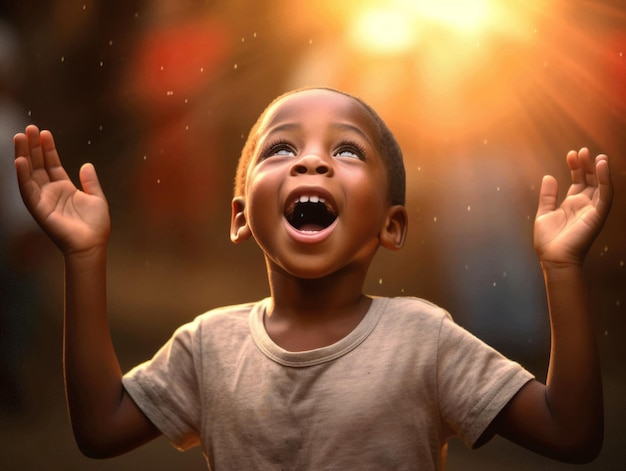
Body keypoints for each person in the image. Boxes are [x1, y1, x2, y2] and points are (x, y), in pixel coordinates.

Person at [13, 87, 613, 469]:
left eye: (348, 151)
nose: (312, 159)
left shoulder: (425, 341)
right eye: (280, 149)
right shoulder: (207, 347)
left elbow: (571, 433)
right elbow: (99, 429)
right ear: (241, 216)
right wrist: (85, 258)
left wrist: (560, 269)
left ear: (391, 225)